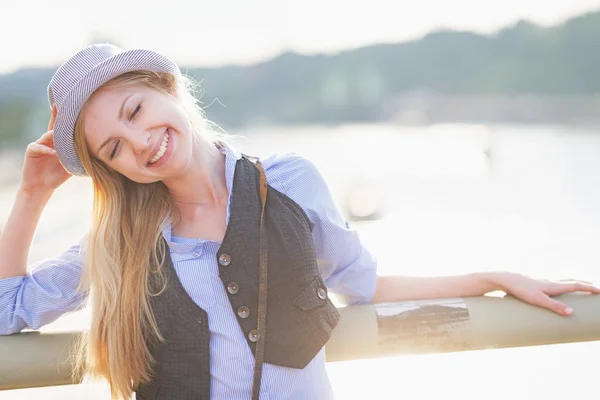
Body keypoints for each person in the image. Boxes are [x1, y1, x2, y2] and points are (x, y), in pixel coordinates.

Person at [0, 43, 598, 400]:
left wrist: (492, 277)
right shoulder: (118, 244)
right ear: (114, 171)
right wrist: (30, 197)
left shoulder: (288, 183)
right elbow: (9, 310)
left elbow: (363, 284)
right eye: (113, 149)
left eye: (135, 110)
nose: (140, 143)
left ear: (165, 87)